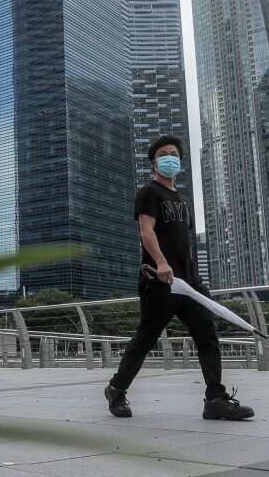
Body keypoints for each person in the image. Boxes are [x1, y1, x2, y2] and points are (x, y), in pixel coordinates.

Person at [104, 135, 254, 421]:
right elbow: (146, 231)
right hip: (159, 280)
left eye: (174, 153)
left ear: (180, 161)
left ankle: (215, 399)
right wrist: (160, 262)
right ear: (154, 162)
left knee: (207, 334)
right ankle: (116, 389)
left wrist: (193, 274)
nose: (169, 157)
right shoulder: (149, 193)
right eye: (163, 154)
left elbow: (182, 240)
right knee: (146, 338)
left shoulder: (181, 199)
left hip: (190, 283)